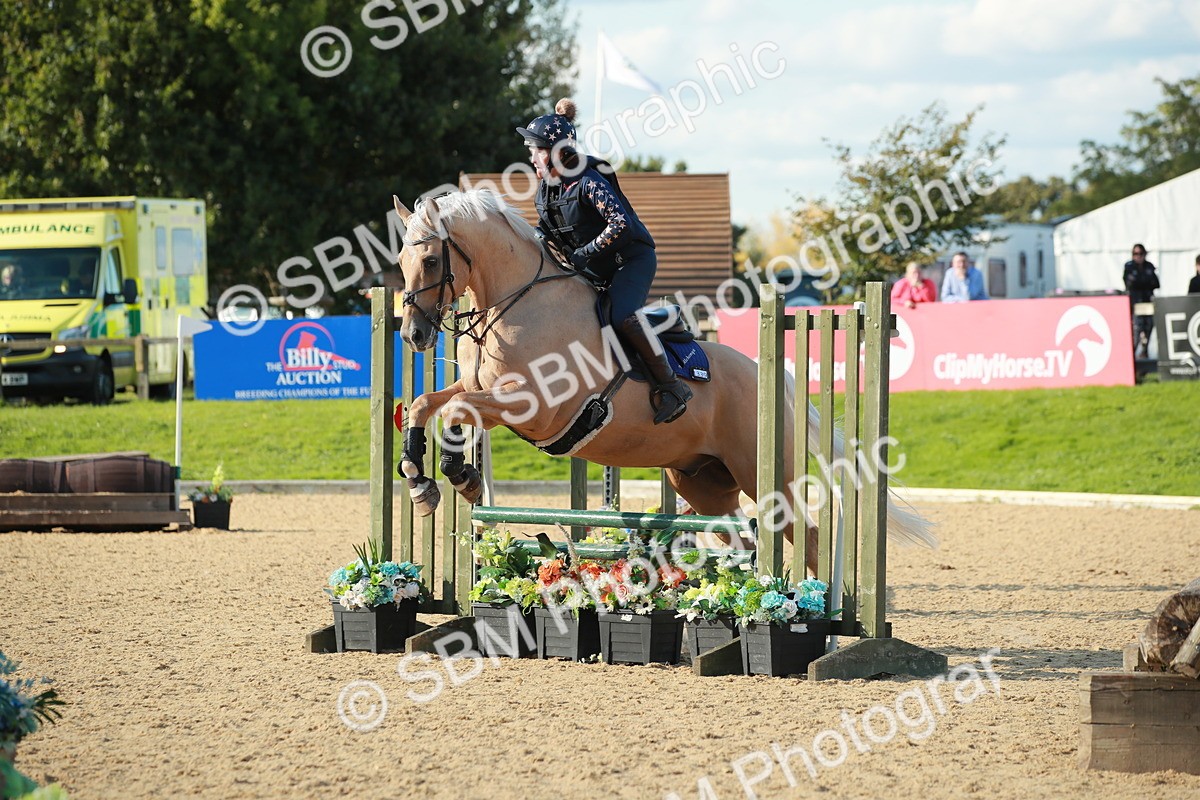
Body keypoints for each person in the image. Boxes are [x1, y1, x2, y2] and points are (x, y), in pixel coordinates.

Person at [516, 98, 691, 424]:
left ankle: (672, 386)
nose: (530, 158)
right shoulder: (545, 190)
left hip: (631, 261)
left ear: (556, 152)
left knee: (619, 314)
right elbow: (546, 229)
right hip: (596, 268)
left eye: (535, 150)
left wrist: (582, 255)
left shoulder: (588, 181)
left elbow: (619, 224)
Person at [1123, 244, 1159, 359]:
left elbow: (1156, 283)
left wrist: (1141, 282)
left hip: (1147, 303)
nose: (1138, 256)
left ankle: (1144, 354)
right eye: (1135, 254)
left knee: (1148, 329)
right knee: (1136, 332)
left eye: (1140, 254)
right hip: (1135, 304)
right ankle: (1131, 357)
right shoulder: (1129, 267)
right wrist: (1144, 282)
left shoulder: (1149, 266)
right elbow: (1130, 284)